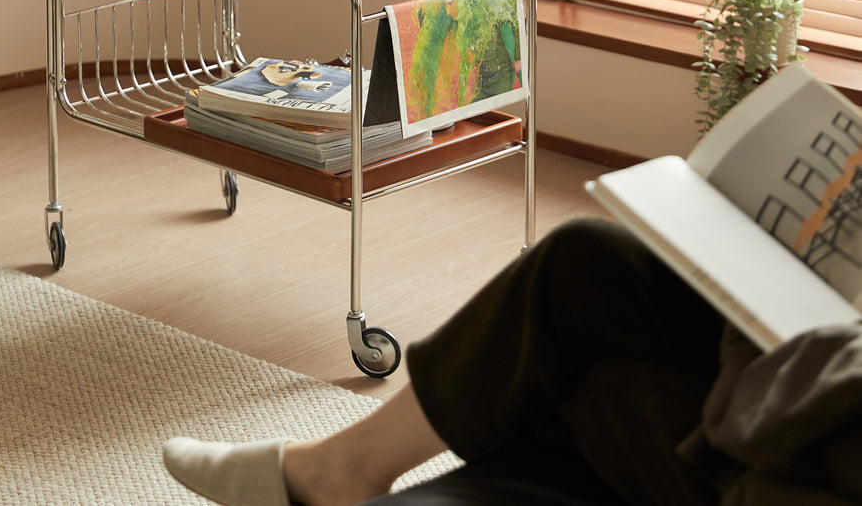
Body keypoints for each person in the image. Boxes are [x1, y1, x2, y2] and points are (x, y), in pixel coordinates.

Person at [162, 217, 862, 506]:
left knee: (578, 381)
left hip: (787, 462)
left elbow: (783, 417)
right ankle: (342, 468)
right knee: (589, 262)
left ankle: (331, 475)